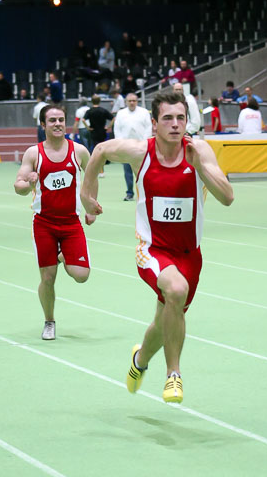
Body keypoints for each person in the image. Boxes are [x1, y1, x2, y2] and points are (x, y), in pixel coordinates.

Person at [80, 92, 234, 404]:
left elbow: (228, 197)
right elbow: (98, 151)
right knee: (175, 291)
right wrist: (87, 194)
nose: (175, 125)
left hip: (190, 254)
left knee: (165, 321)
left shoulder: (199, 151)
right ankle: (173, 375)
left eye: (181, 118)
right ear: (154, 123)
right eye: (168, 118)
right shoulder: (140, 152)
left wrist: (200, 168)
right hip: (152, 250)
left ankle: (139, 361)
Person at [14, 104, 96, 340]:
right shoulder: (33, 153)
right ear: (43, 125)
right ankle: (49, 321)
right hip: (44, 224)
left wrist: (91, 206)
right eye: (52, 121)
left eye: (61, 119)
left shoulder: (79, 151)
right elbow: (18, 186)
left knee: (81, 275)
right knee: (48, 278)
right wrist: (28, 183)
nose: (58, 124)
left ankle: (62, 255)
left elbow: (91, 178)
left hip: (71, 223)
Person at [113, 93, 152, 201]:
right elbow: (117, 129)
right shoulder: (120, 113)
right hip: (126, 147)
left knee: (143, 171)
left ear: (137, 101)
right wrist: (120, 143)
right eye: (129, 101)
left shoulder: (144, 112)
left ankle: (145, 193)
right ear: (126, 102)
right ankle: (130, 193)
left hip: (141, 147)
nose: (132, 103)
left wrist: (144, 142)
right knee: (128, 172)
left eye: (134, 101)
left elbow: (148, 127)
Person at [82, 95, 114, 163]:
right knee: (103, 145)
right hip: (102, 131)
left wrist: (88, 128)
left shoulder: (89, 111)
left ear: (92, 101)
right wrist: (109, 126)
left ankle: (96, 160)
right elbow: (113, 118)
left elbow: (83, 120)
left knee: (95, 146)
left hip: (94, 131)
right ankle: (105, 160)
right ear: (99, 101)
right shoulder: (103, 110)